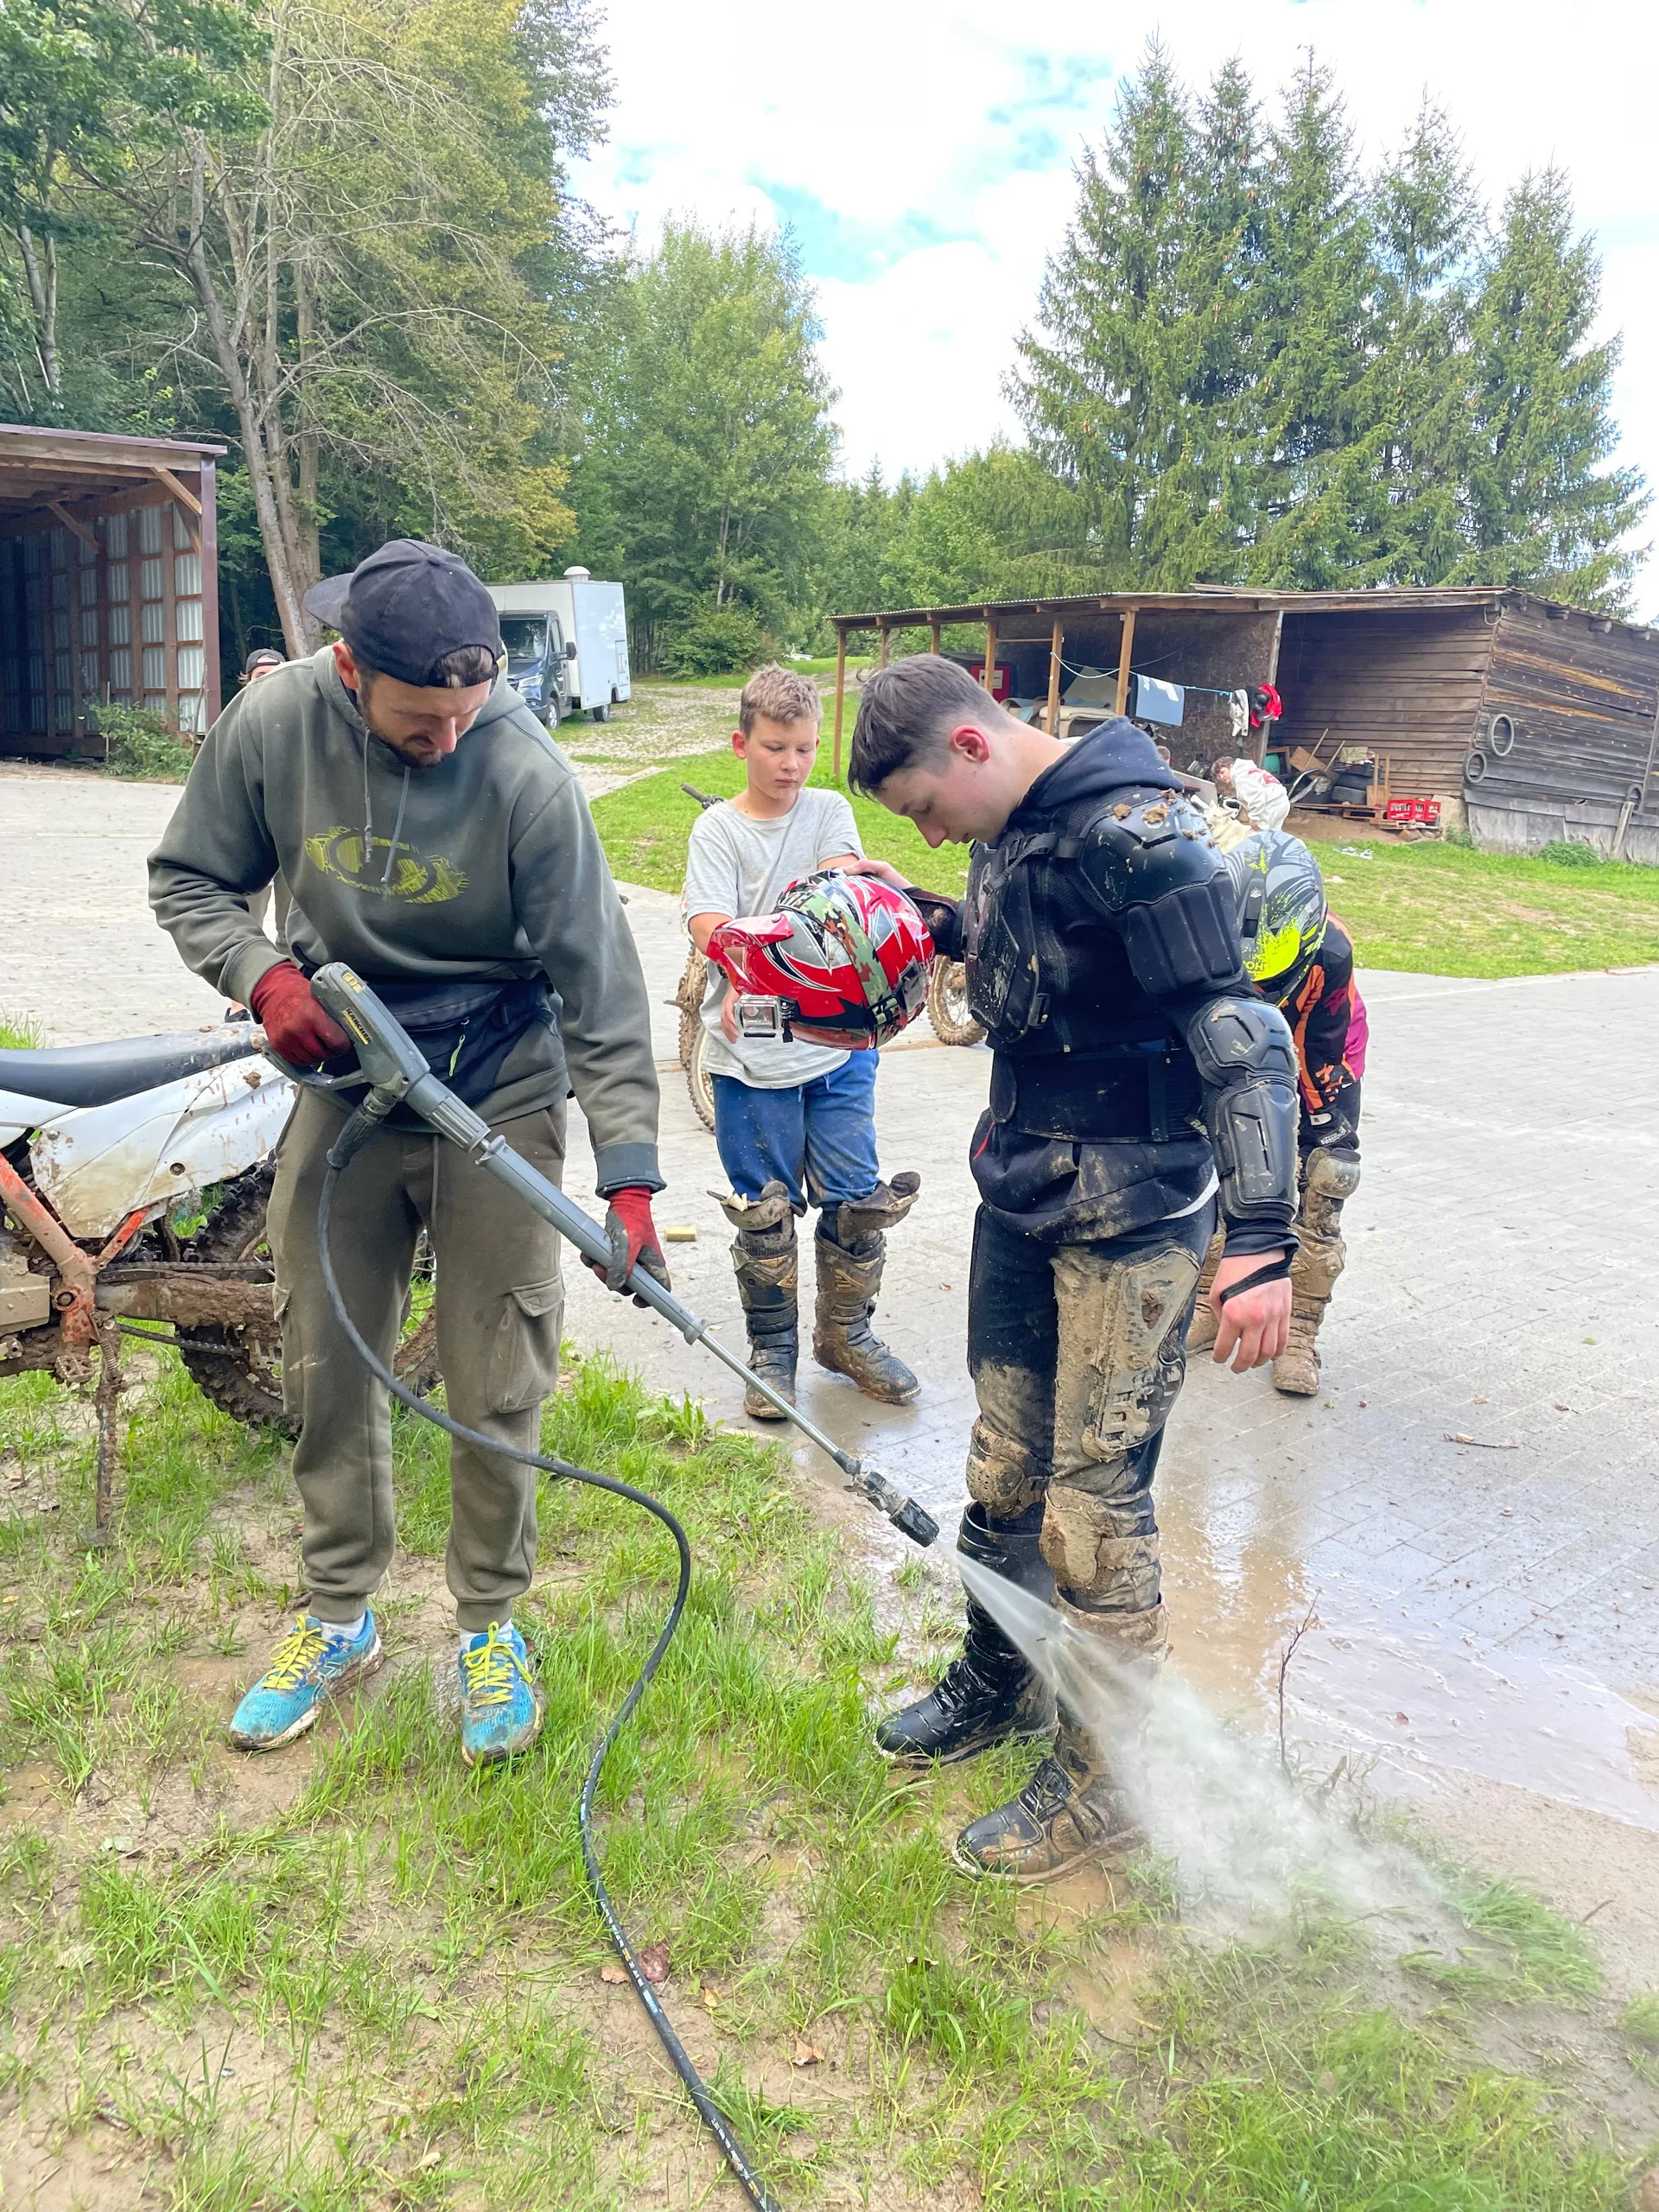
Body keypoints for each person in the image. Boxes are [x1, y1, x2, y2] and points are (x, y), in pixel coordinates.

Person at [149, 538, 666, 1766]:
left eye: (468, 709)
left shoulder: (525, 773)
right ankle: (339, 1615)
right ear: (347, 671)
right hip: (346, 1083)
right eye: (422, 719)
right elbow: (189, 880)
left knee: (499, 1367)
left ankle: (490, 1625)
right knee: (324, 1357)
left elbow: (602, 983)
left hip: (500, 1079)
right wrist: (261, 971)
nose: (452, 735)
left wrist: (632, 1176)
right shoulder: (273, 723)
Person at [848, 655, 1299, 1883]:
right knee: (1002, 1471)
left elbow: (1242, 1033)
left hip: (1135, 1219)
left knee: (1094, 1512)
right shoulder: (1018, 828)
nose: (931, 829)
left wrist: (1262, 1241)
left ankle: (1110, 1783)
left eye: (925, 806)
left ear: (974, 747)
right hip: (1024, 1190)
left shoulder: (1140, 835)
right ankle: (1001, 1682)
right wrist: (936, 917)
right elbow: (1038, 966)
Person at [683, 664, 918, 1420]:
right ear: (740, 743)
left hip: (840, 1051)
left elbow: (836, 893)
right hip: (751, 1060)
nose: (792, 765)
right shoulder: (717, 829)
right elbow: (709, 926)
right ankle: (773, 1352)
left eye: (806, 750)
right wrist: (752, 967)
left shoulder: (823, 813)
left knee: (858, 1199)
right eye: (777, 748)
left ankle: (845, 1336)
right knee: (766, 1209)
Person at [1187, 830, 1366, 1395]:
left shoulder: (1330, 954)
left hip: (1319, 1045)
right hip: (1231, 1037)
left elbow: (1319, 1054)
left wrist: (1323, 1130)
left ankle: (1301, 1331)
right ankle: (1208, 1292)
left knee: (1326, 1177)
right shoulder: (1194, 925)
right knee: (1220, 1155)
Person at [1213, 753, 1290, 834]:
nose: (1222, 777)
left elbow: (1257, 798)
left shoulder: (1241, 778)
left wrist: (1254, 818)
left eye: (1222, 772)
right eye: (1219, 776)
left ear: (1231, 767)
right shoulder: (1246, 771)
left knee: (1262, 836)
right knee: (1274, 835)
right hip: (1281, 802)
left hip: (1271, 805)